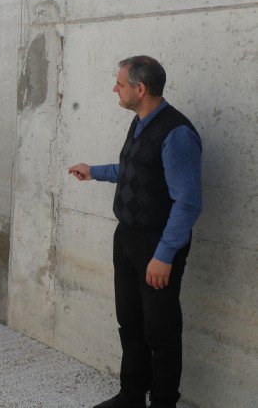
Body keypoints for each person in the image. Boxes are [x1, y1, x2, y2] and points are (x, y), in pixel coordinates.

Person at [68, 56, 202, 408]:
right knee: (130, 322)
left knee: (161, 334)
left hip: (157, 246)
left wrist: (164, 254)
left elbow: (187, 203)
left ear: (139, 89)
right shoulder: (140, 122)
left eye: (120, 84)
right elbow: (133, 170)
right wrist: (94, 171)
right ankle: (131, 395)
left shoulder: (177, 133)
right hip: (127, 238)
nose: (115, 88)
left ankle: (162, 402)